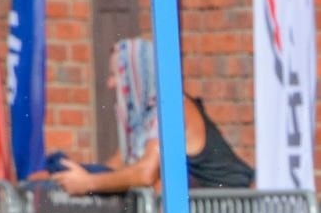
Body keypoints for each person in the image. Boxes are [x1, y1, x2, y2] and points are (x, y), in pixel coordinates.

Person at [45, 37, 253, 195]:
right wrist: (73, 172)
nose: (110, 84)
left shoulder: (172, 107)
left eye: (115, 75)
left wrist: (88, 183)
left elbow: (145, 173)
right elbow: (120, 167)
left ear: (136, 75)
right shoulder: (144, 120)